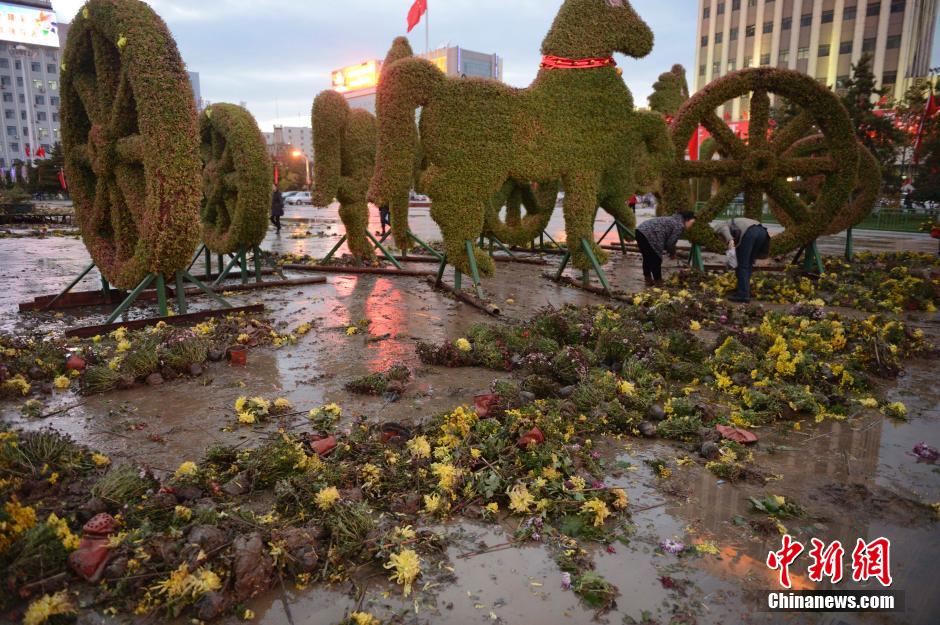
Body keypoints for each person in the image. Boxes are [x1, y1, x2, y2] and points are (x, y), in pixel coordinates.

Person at [712, 217, 771, 303]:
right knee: (748, 264)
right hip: (762, 231)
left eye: (720, 239)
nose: (721, 241)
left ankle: (743, 295)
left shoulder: (717, 228)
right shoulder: (736, 227)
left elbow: (723, 228)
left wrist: (730, 240)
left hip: (749, 233)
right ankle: (745, 291)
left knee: (742, 265)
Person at [635, 211, 696, 287]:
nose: (691, 226)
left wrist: (670, 251)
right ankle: (658, 282)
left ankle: (648, 280)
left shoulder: (674, 220)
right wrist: (672, 253)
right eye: (692, 223)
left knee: (647, 257)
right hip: (650, 235)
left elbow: (668, 242)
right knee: (656, 259)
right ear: (687, 220)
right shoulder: (679, 225)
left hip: (640, 231)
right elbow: (670, 243)